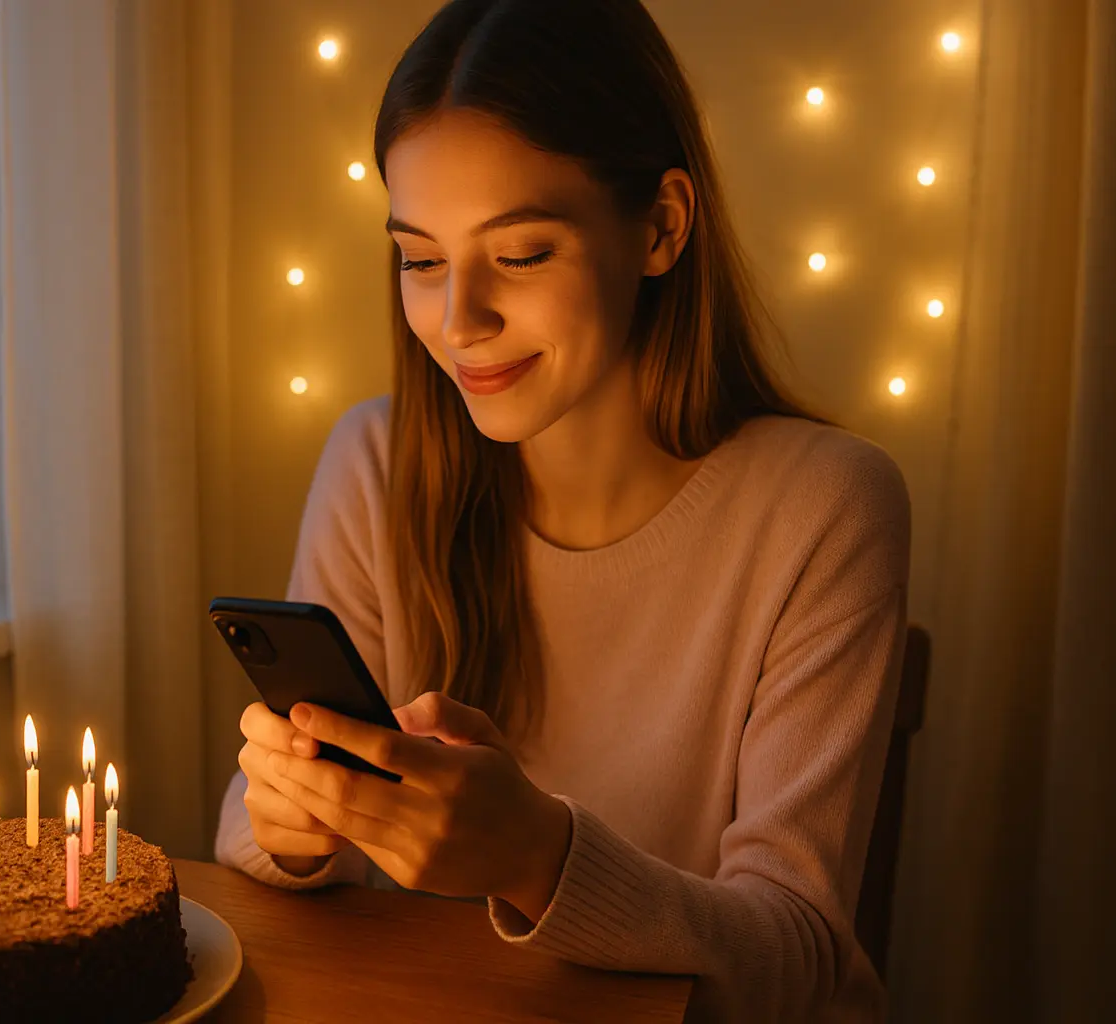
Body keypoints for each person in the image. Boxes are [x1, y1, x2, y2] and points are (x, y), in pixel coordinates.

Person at [214, 0, 910, 1020]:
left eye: (523, 253)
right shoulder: (375, 461)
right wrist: (290, 820)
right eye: (420, 258)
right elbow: (242, 845)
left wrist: (539, 857)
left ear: (662, 227)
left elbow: (795, 959)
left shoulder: (824, 505)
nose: (459, 321)